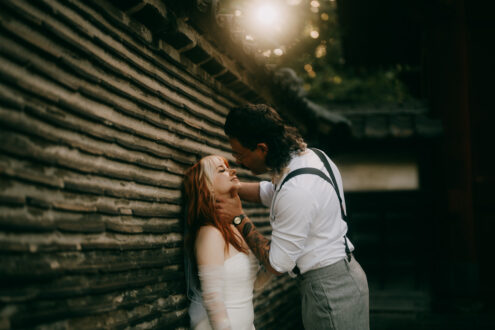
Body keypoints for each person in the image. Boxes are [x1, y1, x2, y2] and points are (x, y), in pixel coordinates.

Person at [216, 104, 369, 329]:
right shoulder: (311, 158)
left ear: (262, 148)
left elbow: (278, 263)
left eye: (240, 154)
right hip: (342, 277)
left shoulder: (298, 189)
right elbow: (272, 192)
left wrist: (238, 218)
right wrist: (231, 187)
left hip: (330, 291)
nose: (238, 162)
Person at [183, 155, 270, 330]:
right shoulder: (210, 233)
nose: (232, 171)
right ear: (207, 187)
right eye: (221, 170)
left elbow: (254, 285)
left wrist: (277, 262)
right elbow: (213, 300)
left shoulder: (236, 228)